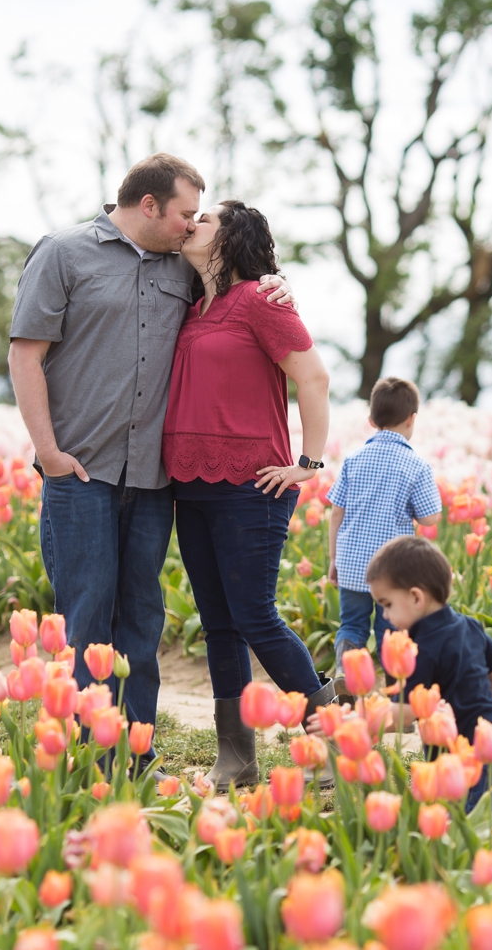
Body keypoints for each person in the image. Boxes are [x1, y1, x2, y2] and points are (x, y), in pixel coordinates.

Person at [7, 154, 292, 768]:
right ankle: (91, 755)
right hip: (81, 472)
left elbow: (235, 296)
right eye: (186, 213)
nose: (192, 226)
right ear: (149, 206)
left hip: (156, 479)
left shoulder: (181, 267)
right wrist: (48, 452)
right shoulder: (62, 253)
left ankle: (137, 749)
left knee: (142, 615)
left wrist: (277, 284)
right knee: (87, 616)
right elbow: (25, 354)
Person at [162, 199, 335, 789]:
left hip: (251, 483)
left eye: (204, 219)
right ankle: (236, 756)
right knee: (219, 624)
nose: (192, 224)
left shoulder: (262, 300)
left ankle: (333, 738)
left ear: (232, 237)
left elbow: (312, 376)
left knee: (255, 616)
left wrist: (307, 462)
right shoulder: (189, 303)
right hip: (190, 483)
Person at [364, 535, 492, 816]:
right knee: (471, 828)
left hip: (474, 755)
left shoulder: (421, 647)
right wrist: (481, 708)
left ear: (415, 597)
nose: (385, 616)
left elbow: (408, 711)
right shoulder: (469, 625)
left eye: (386, 604)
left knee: (463, 834)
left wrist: (360, 723)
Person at [324, 377, 442, 697]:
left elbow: (337, 512)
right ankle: (395, 695)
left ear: (371, 421)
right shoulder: (416, 465)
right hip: (394, 568)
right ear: (412, 419)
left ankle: (346, 676)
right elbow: (430, 518)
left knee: (351, 625)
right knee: (392, 629)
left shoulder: (352, 460)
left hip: (351, 561)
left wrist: (334, 559)